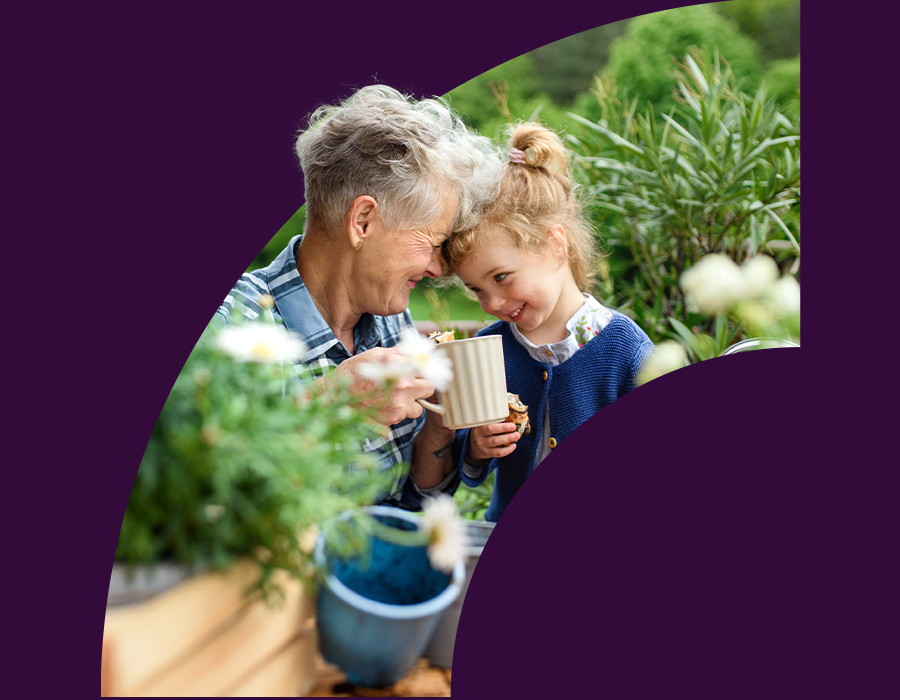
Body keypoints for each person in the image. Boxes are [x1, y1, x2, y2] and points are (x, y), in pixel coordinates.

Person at [215, 85, 504, 510]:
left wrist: (440, 425)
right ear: (363, 221)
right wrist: (329, 403)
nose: (436, 269)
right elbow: (182, 489)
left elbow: (411, 503)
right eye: (431, 242)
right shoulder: (227, 324)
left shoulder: (390, 321)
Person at [441, 122, 654, 522]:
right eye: (477, 290)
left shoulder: (624, 348)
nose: (492, 303)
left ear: (555, 245)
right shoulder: (492, 350)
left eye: (501, 277)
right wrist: (478, 447)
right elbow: (466, 457)